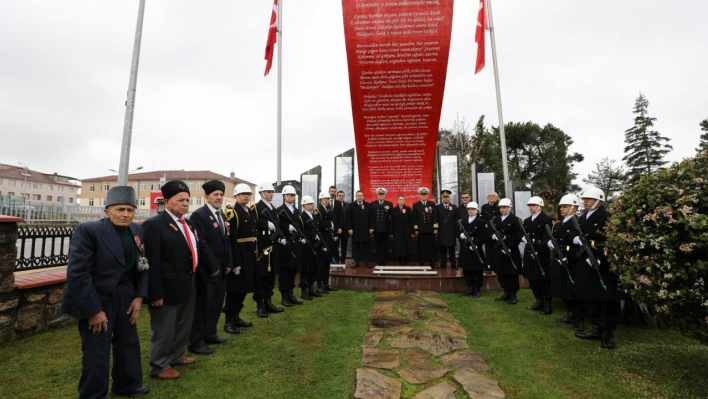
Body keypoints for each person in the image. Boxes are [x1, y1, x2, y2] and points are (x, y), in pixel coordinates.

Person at [61, 186, 150, 398]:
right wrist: (93, 310)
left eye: (130, 209)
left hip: (126, 294)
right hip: (96, 296)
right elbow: (78, 273)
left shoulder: (136, 230)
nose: (126, 214)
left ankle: (127, 384)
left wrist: (139, 296)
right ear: (107, 211)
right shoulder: (89, 231)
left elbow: (142, 264)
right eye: (120, 209)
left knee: (128, 341)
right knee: (96, 349)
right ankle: (93, 394)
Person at [143, 180, 202, 380]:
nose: (185, 204)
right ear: (167, 202)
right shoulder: (154, 225)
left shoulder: (188, 222)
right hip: (166, 287)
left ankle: (176, 356)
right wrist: (155, 292)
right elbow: (152, 262)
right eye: (180, 200)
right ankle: (158, 365)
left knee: (183, 325)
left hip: (187, 282)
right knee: (164, 328)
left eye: (187, 200)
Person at [573, 188, 621, 350]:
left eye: (589, 199)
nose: (585, 201)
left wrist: (598, 257)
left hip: (601, 265)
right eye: (584, 198)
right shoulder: (581, 218)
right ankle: (595, 328)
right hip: (584, 264)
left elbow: (611, 240)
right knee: (589, 297)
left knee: (604, 300)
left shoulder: (606, 217)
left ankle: (607, 333)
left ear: (599, 201)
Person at [188, 180, 232, 356]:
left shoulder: (221, 215)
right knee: (203, 305)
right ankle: (196, 341)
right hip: (208, 268)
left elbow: (226, 241)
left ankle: (210, 333)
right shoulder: (199, 215)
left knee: (216, 302)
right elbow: (202, 243)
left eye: (221, 195)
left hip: (222, 267)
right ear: (206, 196)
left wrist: (229, 262)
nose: (219, 198)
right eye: (215, 195)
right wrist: (213, 266)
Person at [547, 194, 584, 332]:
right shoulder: (558, 224)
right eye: (561, 206)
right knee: (562, 287)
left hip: (572, 260)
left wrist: (569, 256)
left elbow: (579, 244)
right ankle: (570, 313)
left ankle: (579, 319)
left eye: (565, 206)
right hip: (559, 259)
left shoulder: (577, 222)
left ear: (573, 208)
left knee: (573, 290)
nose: (561, 209)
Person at [222, 184, 258, 326]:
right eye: (243, 194)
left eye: (248, 194)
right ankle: (229, 320)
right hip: (239, 255)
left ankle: (236, 316)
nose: (246, 196)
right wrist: (235, 262)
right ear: (236, 195)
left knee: (243, 288)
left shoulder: (248, 210)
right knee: (234, 290)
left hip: (249, 254)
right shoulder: (233, 213)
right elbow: (232, 239)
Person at [253, 182, 285, 316]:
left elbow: (276, 225)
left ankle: (268, 301)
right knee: (262, 275)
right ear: (261, 193)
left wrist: (279, 237)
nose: (271, 194)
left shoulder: (272, 208)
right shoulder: (256, 207)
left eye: (272, 192)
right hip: (262, 245)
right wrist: (265, 223)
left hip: (272, 244)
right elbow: (253, 222)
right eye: (268, 192)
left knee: (271, 275)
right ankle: (260, 304)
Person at [521, 196, 554, 315]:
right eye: (530, 205)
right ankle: (538, 301)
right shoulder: (527, 220)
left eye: (533, 205)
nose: (531, 207)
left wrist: (538, 250)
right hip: (530, 250)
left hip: (541, 252)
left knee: (543, 279)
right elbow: (522, 232)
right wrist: (523, 238)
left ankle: (547, 304)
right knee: (532, 278)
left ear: (540, 206)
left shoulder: (547, 219)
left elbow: (547, 236)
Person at [490, 198, 523, 305]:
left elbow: (517, 236)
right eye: (501, 208)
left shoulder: (515, 220)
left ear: (510, 208)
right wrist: (493, 236)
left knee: (511, 273)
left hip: (510, 250)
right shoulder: (496, 219)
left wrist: (510, 247)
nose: (502, 209)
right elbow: (491, 231)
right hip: (499, 249)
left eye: (504, 207)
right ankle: (505, 292)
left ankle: (513, 294)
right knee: (501, 272)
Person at [277, 185, 305, 306]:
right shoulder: (279, 210)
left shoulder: (296, 211)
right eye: (291, 195)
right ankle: (284, 296)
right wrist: (286, 227)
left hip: (295, 244)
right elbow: (277, 226)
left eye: (294, 195)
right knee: (285, 271)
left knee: (293, 269)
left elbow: (298, 225)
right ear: (285, 196)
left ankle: (291, 294)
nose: (293, 197)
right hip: (285, 244)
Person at [458, 201, 489, 298]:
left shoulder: (481, 222)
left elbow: (484, 236)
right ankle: (470, 288)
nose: (470, 211)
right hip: (465, 249)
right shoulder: (463, 221)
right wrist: (461, 235)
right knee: (466, 270)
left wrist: (476, 244)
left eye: (472, 209)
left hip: (475, 249)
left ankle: (477, 289)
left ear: (477, 211)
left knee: (476, 270)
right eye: (469, 209)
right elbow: (457, 231)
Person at [299, 195, 323, 298]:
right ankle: (304, 291)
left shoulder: (314, 216)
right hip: (306, 245)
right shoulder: (302, 216)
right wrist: (313, 235)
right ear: (304, 205)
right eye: (309, 204)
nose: (312, 206)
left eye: (312, 204)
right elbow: (302, 231)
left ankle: (311, 288)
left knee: (313, 267)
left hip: (314, 244)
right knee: (306, 268)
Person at [316, 192, 338, 292]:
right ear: (322, 199)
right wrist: (329, 224)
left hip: (328, 238)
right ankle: (320, 284)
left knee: (327, 262)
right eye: (327, 199)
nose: (329, 200)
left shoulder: (327, 209)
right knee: (321, 263)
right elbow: (317, 224)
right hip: (322, 238)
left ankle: (326, 283)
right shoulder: (318, 210)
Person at [412, 187, 437, 267]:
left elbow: (435, 217)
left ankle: (432, 261)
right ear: (419, 195)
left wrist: (435, 228)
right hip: (421, 229)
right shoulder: (416, 205)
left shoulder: (432, 204)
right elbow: (414, 218)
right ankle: (421, 261)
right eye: (422, 194)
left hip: (430, 229)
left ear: (427, 195)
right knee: (421, 246)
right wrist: (416, 229)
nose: (423, 196)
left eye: (425, 194)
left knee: (431, 246)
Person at [346, 190, 372, 268]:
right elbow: (348, 218)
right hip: (355, 230)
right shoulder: (351, 206)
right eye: (358, 195)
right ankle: (356, 262)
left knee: (366, 246)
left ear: (363, 196)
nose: (360, 197)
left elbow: (371, 217)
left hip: (365, 229)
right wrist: (349, 228)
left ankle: (367, 262)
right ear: (356, 196)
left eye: (361, 195)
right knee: (355, 246)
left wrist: (371, 227)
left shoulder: (368, 205)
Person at [435, 189, 458, 269]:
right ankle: (443, 264)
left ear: (449, 198)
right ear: (442, 198)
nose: (445, 199)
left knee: (452, 249)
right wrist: (436, 229)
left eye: (447, 197)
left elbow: (456, 220)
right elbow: (435, 219)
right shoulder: (438, 207)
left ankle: (453, 264)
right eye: (444, 197)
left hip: (451, 231)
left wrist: (456, 231)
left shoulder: (454, 207)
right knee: (442, 249)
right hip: (442, 230)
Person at [370, 187, 393, 266]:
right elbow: (371, 217)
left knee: (385, 245)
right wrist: (372, 227)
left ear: (385, 195)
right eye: (379, 194)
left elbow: (391, 217)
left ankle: (385, 260)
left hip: (385, 228)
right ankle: (378, 260)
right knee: (377, 245)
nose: (381, 195)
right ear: (377, 195)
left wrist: (391, 229)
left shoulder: (389, 204)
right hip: (376, 228)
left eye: (382, 194)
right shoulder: (373, 203)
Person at [390, 195, 414, 264]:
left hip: (407, 231)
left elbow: (411, 221)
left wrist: (412, 232)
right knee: (399, 246)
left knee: (407, 245)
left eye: (402, 199)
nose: (401, 201)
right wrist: (391, 233)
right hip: (397, 231)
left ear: (404, 201)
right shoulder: (394, 210)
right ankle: (399, 261)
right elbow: (392, 221)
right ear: (397, 201)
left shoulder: (408, 209)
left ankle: (406, 260)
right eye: (400, 199)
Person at [332, 190, 348, 264]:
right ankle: (337, 260)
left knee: (344, 246)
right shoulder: (333, 204)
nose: (341, 197)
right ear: (337, 196)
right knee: (335, 245)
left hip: (345, 229)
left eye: (342, 196)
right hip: (336, 229)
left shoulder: (347, 205)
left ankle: (343, 260)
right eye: (339, 195)